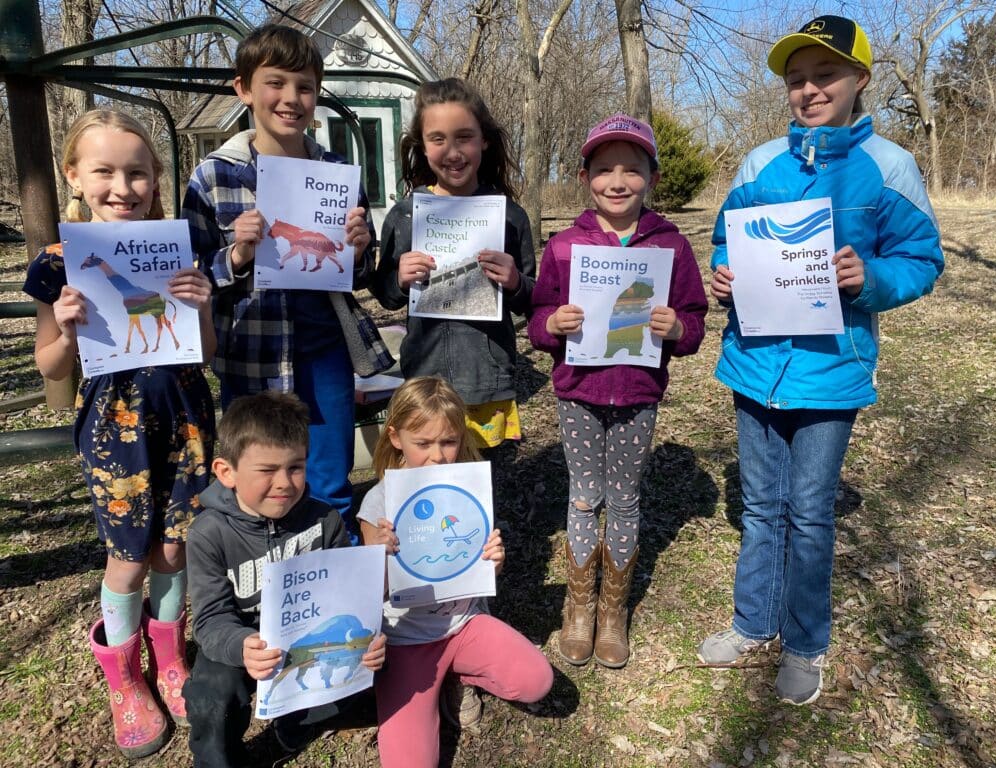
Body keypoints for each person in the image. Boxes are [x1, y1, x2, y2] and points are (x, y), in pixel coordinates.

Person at [696, 16, 944, 705]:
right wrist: (722, 274)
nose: (808, 90)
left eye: (824, 76)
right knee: (759, 506)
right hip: (753, 363)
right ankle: (752, 623)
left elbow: (923, 260)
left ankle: (806, 643)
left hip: (832, 371)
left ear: (860, 80)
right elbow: (726, 242)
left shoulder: (889, 167)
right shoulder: (758, 163)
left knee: (808, 512)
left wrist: (870, 279)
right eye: (796, 79)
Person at [23, 109, 217, 757]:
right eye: (104, 170)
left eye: (137, 172)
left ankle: (170, 658)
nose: (122, 186)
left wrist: (202, 307)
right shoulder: (58, 264)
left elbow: (205, 353)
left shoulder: (181, 247)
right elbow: (49, 363)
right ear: (73, 175)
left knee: (174, 548)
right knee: (130, 555)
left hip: (186, 416)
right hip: (115, 428)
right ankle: (124, 678)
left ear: (156, 177)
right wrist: (69, 328)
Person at [183, 24, 393, 541]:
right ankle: (262, 590)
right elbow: (188, 277)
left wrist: (362, 248)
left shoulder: (339, 171)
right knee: (261, 481)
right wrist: (235, 254)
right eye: (275, 83)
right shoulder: (214, 176)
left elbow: (358, 273)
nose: (291, 99)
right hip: (250, 353)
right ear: (244, 89)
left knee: (328, 477)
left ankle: (335, 592)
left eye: (304, 86)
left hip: (326, 347)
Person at [528, 114, 708, 669]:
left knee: (624, 498)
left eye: (632, 169)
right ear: (585, 177)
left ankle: (613, 611)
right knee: (584, 497)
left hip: (638, 393)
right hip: (577, 392)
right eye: (604, 169)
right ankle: (578, 608)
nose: (617, 180)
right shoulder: (564, 246)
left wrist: (677, 329)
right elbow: (537, 318)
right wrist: (551, 326)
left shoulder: (671, 247)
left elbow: (696, 319)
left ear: (651, 177)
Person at [183, 391, 387, 767]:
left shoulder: (324, 520)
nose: (284, 483)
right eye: (267, 470)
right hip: (245, 641)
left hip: (308, 637)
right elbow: (210, 620)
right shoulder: (208, 534)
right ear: (226, 472)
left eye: (295, 467)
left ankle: (294, 725)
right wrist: (242, 645)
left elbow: (348, 598)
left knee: (381, 669)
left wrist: (370, 636)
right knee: (212, 695)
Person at [358, 377, 553, 768]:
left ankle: (458, 677)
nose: (437, 456)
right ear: (395, 437)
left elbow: (474, 563)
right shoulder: (378, 501)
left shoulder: (468, 486)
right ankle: (437, 686)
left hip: (465, 624)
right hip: (405, 640)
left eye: (447, 442)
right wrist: (378, 554)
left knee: (536, 681)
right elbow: (370, 592)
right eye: (423, 443)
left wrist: (494, 561)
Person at [370, 78, 535, 464]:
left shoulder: (509, 216)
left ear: (484, 141)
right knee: (426, 476)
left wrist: (514, 282)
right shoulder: (406, 215)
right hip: (424, 381)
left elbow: (533, 299)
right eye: (438, 139)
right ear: (422, 145)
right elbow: (385, 294)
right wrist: (397, 277)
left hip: (486, 382)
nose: (453, 151)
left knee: (481, 483)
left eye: (464, 137)